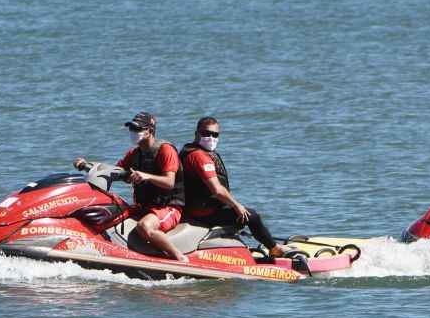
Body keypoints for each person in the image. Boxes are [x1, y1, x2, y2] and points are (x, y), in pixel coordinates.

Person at [74, 112, 188, 262]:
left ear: (150, 131)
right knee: (108, 214)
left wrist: (146, 176)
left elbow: (169, 182)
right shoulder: (134, 153)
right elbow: (115, 170)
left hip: (169, 208)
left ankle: (179, 258)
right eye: (132, 129)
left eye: (138, 129)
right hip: (144, 206)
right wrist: (87, 166)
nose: (134, 133)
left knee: (144, 227)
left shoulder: (166, 150)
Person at [179, 116, 290, 258]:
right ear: (197, 133)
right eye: (206, 133)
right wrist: (237, 206)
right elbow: (217, 190)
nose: (210, 137)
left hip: (197, 208)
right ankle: (274, 248)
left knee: (241, 213)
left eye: (215, 134)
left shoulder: (189, 150)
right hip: (204, 213)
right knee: (252, 216)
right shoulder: (199, 156)